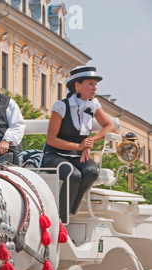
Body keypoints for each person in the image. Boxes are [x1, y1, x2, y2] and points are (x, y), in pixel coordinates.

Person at [43, 66, 116, 222]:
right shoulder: (61, 106)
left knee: (91, 172)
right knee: (73, 175)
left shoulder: (93, 104)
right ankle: (60, 219)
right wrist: (78, 147)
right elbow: (51, 139)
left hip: (78, 156)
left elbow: (111, 127)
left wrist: (90, 141)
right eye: (91, 83)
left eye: (95, 84)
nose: (95, 88)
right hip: (55, 155)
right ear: (77, 85)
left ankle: (69, 212)